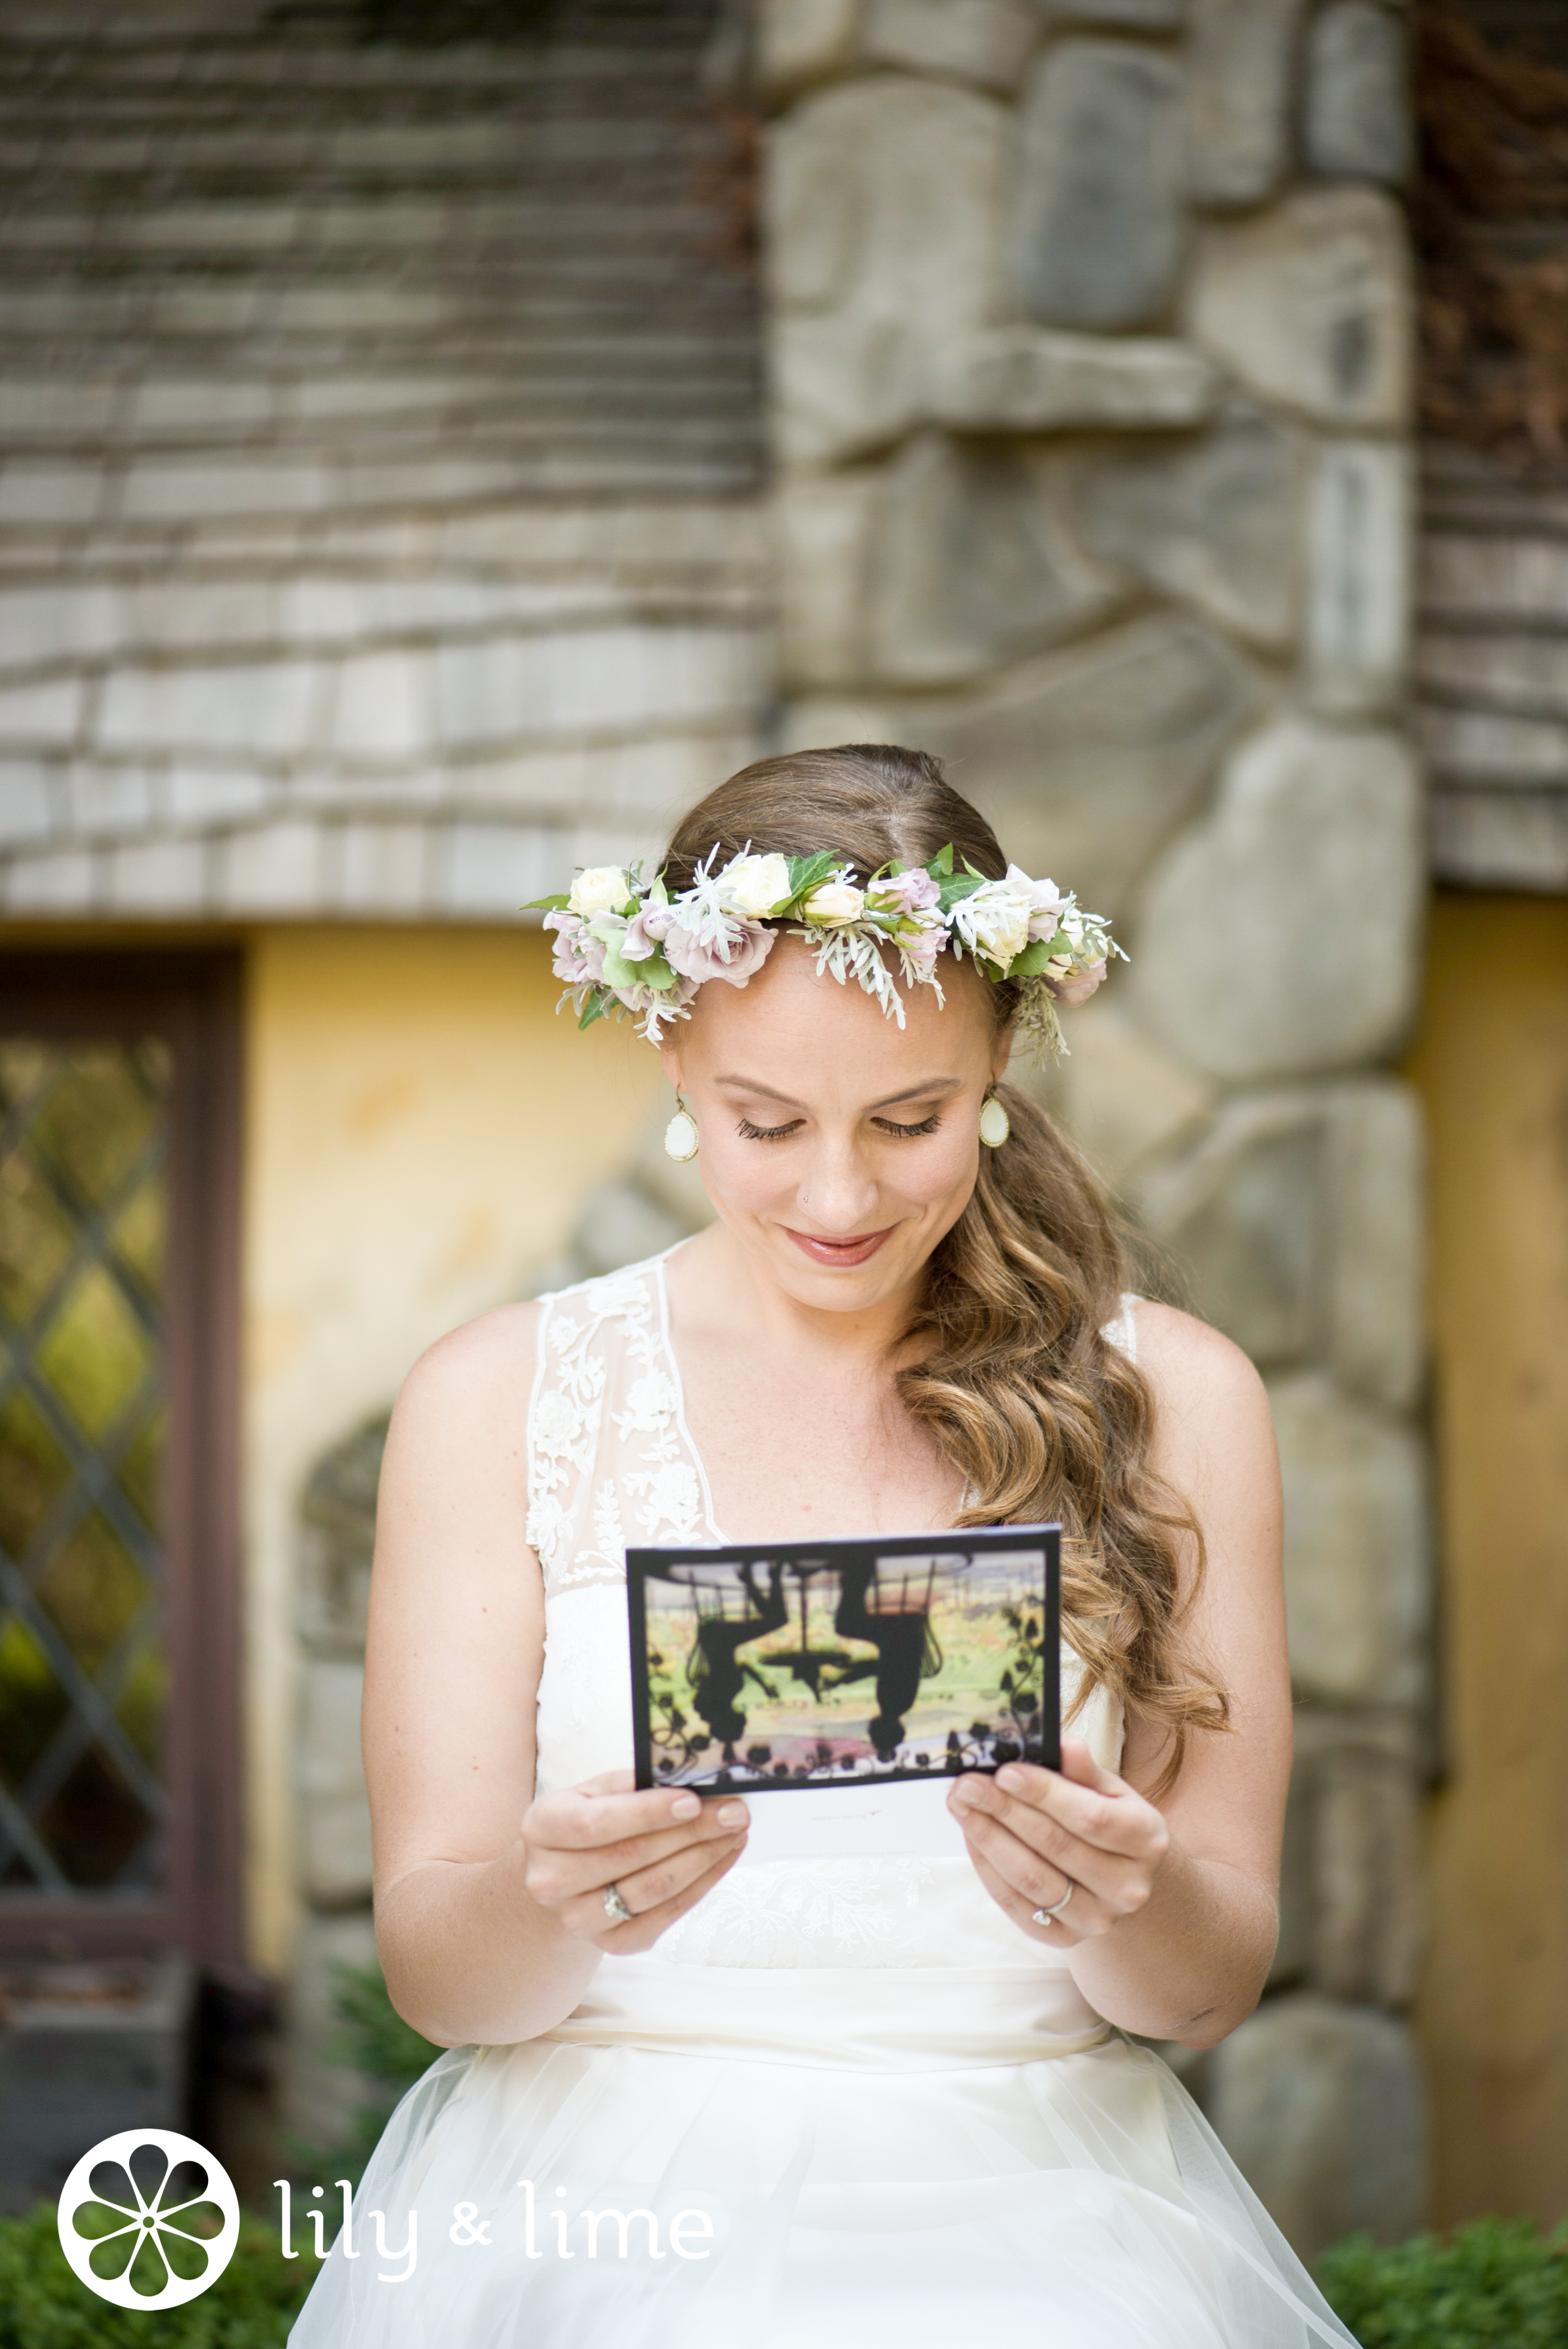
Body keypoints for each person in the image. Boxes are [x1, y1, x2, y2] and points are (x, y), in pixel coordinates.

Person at [289, 746, 1357, 2348]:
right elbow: (444, 1982)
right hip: (589, 2216)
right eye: (766, 1121)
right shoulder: (499, 1397)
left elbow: (1202, 1989)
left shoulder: (1178, 1401)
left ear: (1001, 1057)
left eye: (911, 1118)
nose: (840, 1194)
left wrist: (1119, 1900)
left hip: (1046, 2220)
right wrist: (554, 1897)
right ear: (667, 1051)